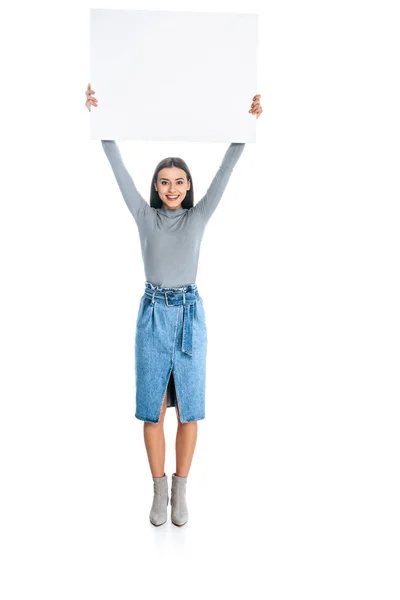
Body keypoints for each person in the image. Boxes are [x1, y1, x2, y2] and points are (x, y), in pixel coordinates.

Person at [85, 83, 263, 526]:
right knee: (151, 408)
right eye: (164, 182)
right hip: (151, 316)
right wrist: (101, 118)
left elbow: (226, 170)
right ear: (155, 187)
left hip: (188, 316)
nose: (171, 188)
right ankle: (158, 489)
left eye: (179, 182)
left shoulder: (198, 216)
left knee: (189, 407)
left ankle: (181, 492)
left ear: (188, 187)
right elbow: (117, 166)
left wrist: (246, 124)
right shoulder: (143, 215)